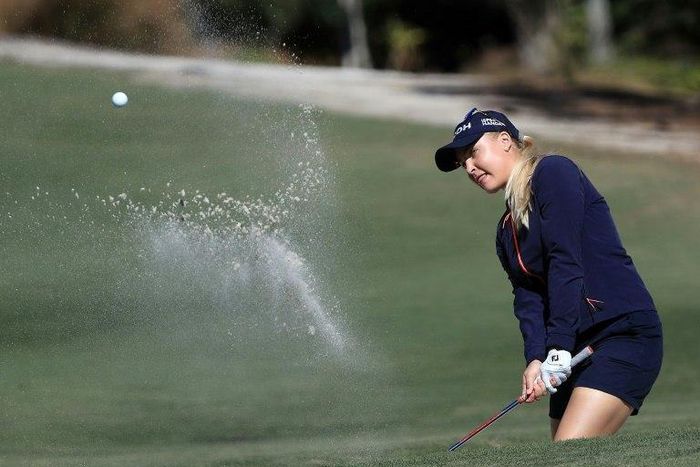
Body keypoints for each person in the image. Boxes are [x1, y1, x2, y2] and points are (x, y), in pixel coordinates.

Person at [434, 108, 663, 441]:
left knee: (568, 449)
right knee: (561, 453)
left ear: (504, 141)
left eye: (473, 152)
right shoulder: (505, 231)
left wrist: (557, 347)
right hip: (574, 348)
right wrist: (536, 358)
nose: (468, 166)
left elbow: (565, 260)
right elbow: (527, 299)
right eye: (461, 162)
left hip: (620, 335)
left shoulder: (553, 173)